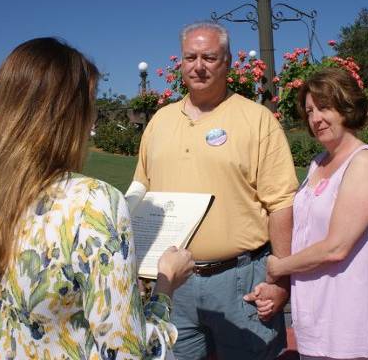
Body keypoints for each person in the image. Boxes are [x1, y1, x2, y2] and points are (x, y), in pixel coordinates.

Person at [0, 37, 194, 360]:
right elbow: (130, 354)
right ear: (66, 116)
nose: (91, 120)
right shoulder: (92, 203)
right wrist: (165, 287)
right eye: (89, 107)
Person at [128, 22, 299, 360]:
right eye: (190, 57)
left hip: (240, 280)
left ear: (228, 62)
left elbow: (281, 204)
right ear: (181, 62)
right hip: (174, 285)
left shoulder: (257, 120)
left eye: (209, 57)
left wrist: (280, 280)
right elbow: (140, 194)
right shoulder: (159, 122)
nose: (199, 65)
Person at [257, 67, 368, 359]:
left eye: (324, 107)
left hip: (354, 331)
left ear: (346, 106)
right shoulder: (317, 164)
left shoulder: (366, 162)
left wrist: (278, 268)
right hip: (316, 326)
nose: (315, 118)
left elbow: (336, 247)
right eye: (309, 111)